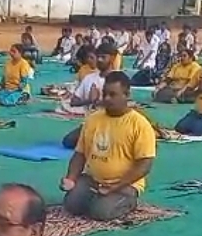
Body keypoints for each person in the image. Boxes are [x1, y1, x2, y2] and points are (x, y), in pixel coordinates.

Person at [60, 72, 156, 221]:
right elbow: (80, 154)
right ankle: (97, 196)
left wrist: (116, 186)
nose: (106, 99)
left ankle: (128, 201)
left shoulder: (140, 125)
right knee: (71, 205)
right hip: (94, 180)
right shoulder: (93, 119)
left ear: (127, 95)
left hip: (125, 184)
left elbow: (145, 165)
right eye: (104, 94)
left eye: (113, 94)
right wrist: (71, 178)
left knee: (101, 213)